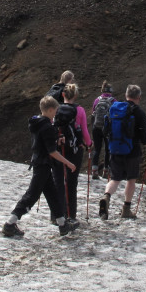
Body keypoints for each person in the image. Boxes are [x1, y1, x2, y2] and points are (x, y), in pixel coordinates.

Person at [2, 96, 79, 238]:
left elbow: (43, 142)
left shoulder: (37, 122)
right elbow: (52, 151)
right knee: (31, 196)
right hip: (43, 165)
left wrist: (55, 139)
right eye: (55, 111)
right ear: (50, 110)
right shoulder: (47, 127)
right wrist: (68, 163)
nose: (56, 114)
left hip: (39, 163)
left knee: (52, 194)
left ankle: (63, 225)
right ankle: (9, 223)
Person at [100, 84, 146, 220]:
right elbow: (143, 134)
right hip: (132, 150)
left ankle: (106, 196)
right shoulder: (138, 112)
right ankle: (126, 209)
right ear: (138, 97)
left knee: (115, 179)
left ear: (126, 95)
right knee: (131, 180)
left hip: (115, 148)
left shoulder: (114, 108)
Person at [53, 83, 91, 223]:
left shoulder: (56, 108)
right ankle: (71, 214)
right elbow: (84, 130)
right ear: (75, 95)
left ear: (63, 94)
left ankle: (56, 215)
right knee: (71, 181)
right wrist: (89, 144)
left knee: (58, 180)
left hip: (58, 148)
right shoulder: (80, 110)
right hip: (75, 149)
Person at [90, 81, 116, 179]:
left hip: (96, 127)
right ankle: (105, 171)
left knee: (97, 149)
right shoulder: (113, 101)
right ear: (111, 91)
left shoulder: (97, 100)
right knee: (107, 150)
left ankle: (94, 171)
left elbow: (93, 113)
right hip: (107, 128)